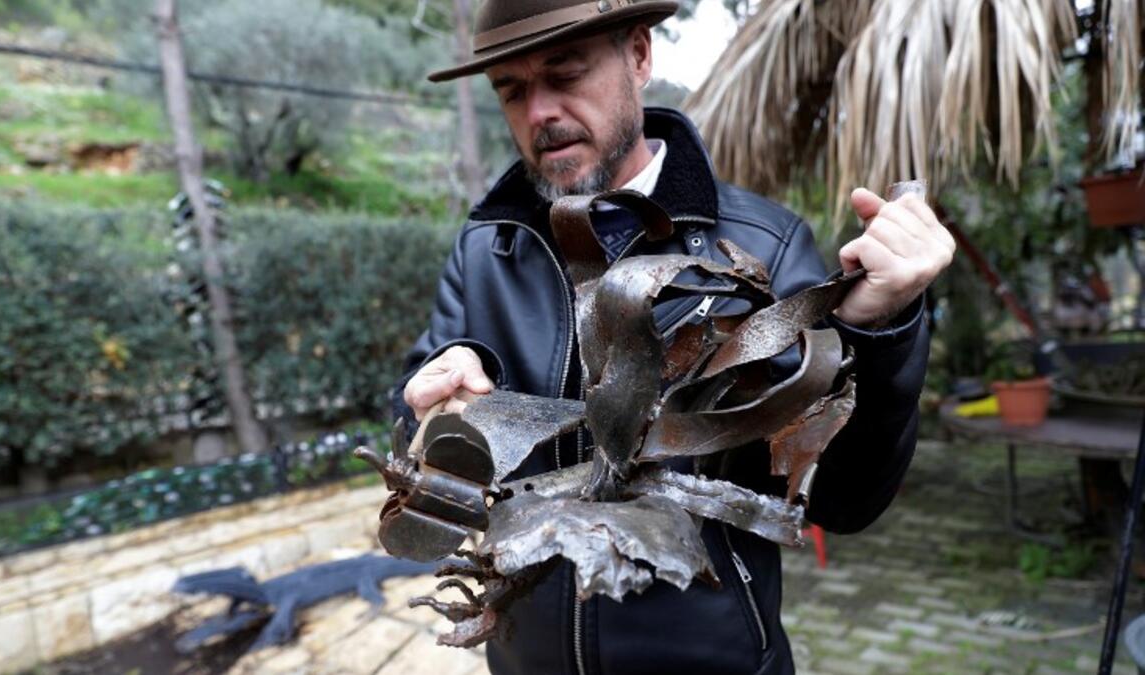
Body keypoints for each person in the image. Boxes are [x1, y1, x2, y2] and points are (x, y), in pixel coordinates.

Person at [393, 1, 956, 673]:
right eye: (511, 90)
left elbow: (844, 498)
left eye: (565, 74)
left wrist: (879, 330)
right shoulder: (488, 249)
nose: (539, 112)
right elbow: (420, 422)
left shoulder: (764, 245)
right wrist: (437, 402)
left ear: (638, 55)